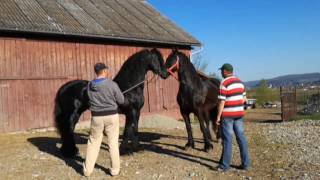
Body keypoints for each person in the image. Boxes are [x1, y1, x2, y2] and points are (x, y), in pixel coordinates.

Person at [83, 62, 124, 177]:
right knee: (113, 143)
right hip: (111, 117)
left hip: (96, 117)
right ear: (105, 71)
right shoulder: (112, 84)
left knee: (93, 142)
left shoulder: (89, 85)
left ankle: (87, 170)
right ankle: (115, 170)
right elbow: (121, 100)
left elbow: (89, 99)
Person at [216, 63, 250, 172]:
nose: (221, 72)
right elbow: (245, 100)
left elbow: (222, 102)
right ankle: (246, 164)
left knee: (227, 140)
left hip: (228, 116)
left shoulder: (224, 83)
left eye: (222, 71)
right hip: (239, 115)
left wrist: (218, 117)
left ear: (225, 71)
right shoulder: (240, 82)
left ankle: (225, 166)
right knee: (241, 138)